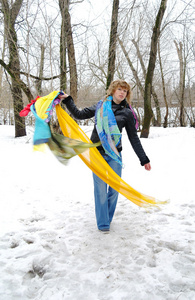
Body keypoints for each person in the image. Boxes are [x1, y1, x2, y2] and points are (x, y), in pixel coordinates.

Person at [59, 80, 151, 232]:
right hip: (97, 153)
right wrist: (68, 100)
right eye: (120, 89)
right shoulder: (100, 106)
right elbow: (79, 115)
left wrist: (144, 159)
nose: (122, 93)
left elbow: (133, 138)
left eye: (125, 91)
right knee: (100, 189)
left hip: (115, 154)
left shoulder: (127, 113)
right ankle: (103, 223)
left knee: (114, 189)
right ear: (113, 90)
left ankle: (107, 217)